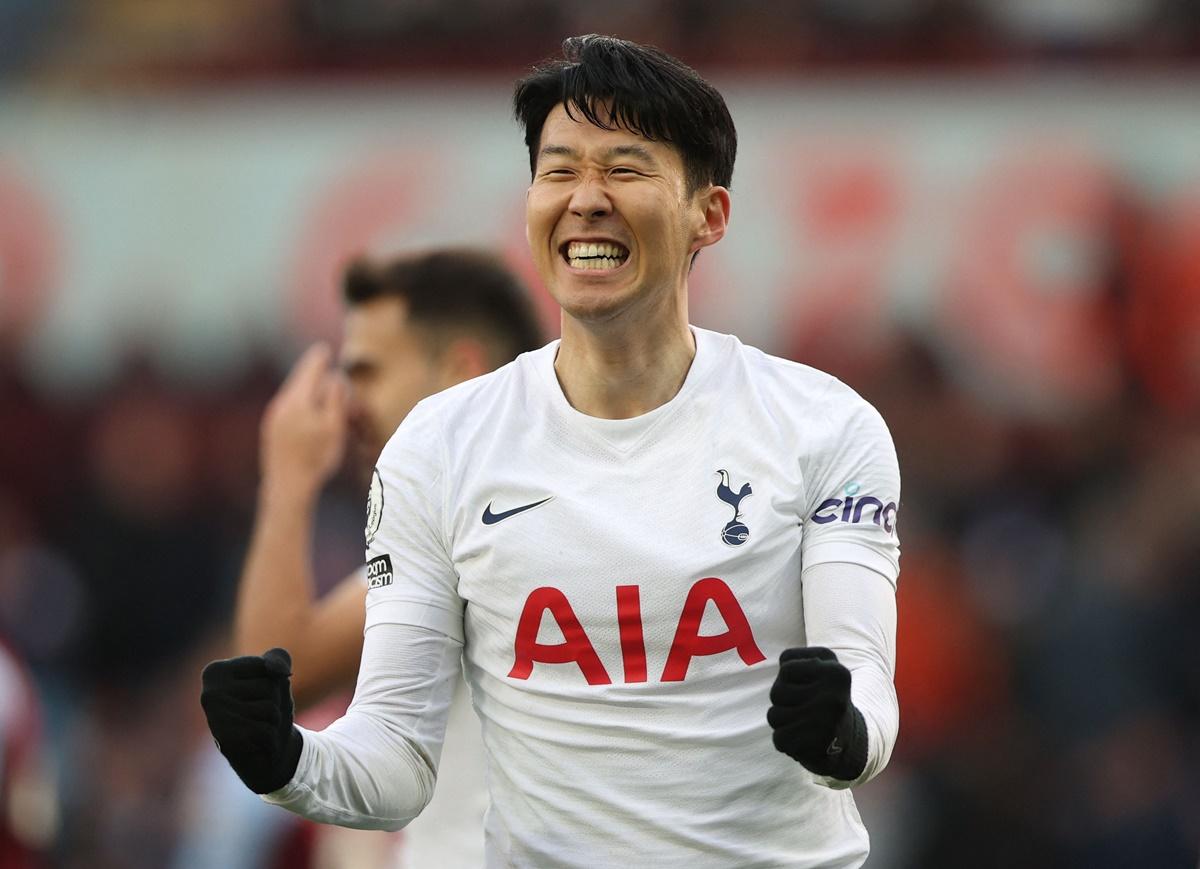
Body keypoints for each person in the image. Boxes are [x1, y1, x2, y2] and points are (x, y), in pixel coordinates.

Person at [201, 35, 901, 868]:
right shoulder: (441, 446)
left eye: (625, 168)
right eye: (560, 170)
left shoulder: (826, 427)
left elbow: (866, 679)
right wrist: (286, 759)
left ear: (707, 215)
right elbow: (395, 752)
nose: (586, 199)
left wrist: (841, 732)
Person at [230, 248, 543, 867]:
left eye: (368, 372)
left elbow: (271, 673)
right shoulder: (462, 520)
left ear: (459, 372)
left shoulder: (482, 527)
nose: (347, 402)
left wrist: (289, 480)